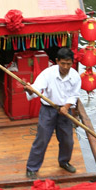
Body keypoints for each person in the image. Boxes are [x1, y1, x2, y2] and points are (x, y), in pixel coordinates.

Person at [25, 48, 81, 177]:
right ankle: (32, 167)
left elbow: (74, 95)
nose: (65, 67)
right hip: (48, 110)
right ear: (57, 61)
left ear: (72, 62)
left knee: (68, 140)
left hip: (65, 111)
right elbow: (37, 88)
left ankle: (64, 162)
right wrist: (30, 90)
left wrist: (66, 107)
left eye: (68, 64)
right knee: (42, 139)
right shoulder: (48, 73)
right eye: (63, 64)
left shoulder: (75, 76)